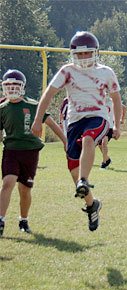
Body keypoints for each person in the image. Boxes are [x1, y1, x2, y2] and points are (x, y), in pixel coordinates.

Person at [31, 31, 122, 232]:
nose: (82, 58)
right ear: (73, 54)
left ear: (95, 52)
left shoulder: (106, 72)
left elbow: (116, 99)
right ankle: (92, 204)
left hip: (97, 117)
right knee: (73, 171)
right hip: (74, 122)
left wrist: (117, 125)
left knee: (89, 140)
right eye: (79, 54)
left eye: (87, 53)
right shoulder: (67, 71)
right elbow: (48, 94)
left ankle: (84, 179)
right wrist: (38, 120)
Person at [0, 69, 66, 237]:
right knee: (8, 183)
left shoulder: (33, 105)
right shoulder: (2, 108)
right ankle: (0, 220)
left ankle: (23, 219)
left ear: (22, 87)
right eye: (8, 85)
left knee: (24, 189)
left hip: (30, 152)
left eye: (15, 85)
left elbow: (51, 123)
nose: (12, 89)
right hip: (11, 150)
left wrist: (66, 142)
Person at [98, 98, 127, 169]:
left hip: (109, 126)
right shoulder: (98, 100)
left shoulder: (112, 101)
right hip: (100, 126)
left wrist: (122, 119)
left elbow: (124, 108)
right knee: (100, 145)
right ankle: (107, 159)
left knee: (104, 143)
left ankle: (104, 164)